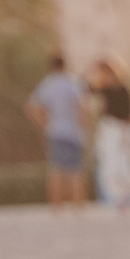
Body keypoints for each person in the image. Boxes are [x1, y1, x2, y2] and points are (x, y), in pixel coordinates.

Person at [27, 51, 87, 208]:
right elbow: (82, 107)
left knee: (56, 170)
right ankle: (78, 206)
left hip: (55, 131)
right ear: (65, 64)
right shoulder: (73, 82)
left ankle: (56, 206)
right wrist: (83, 126)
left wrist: (45, 123)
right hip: (73, 132)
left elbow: (32, 106)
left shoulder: (48, 84)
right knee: (75, 171)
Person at [89, 62, 130, 210]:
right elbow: (86, 88)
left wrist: (126, 133)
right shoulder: (104, 90)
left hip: (119, 129)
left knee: (121, 164)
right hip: (106, 128)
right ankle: (117, 197)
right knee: (107, 164)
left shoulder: (122, 89)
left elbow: (128, 113)